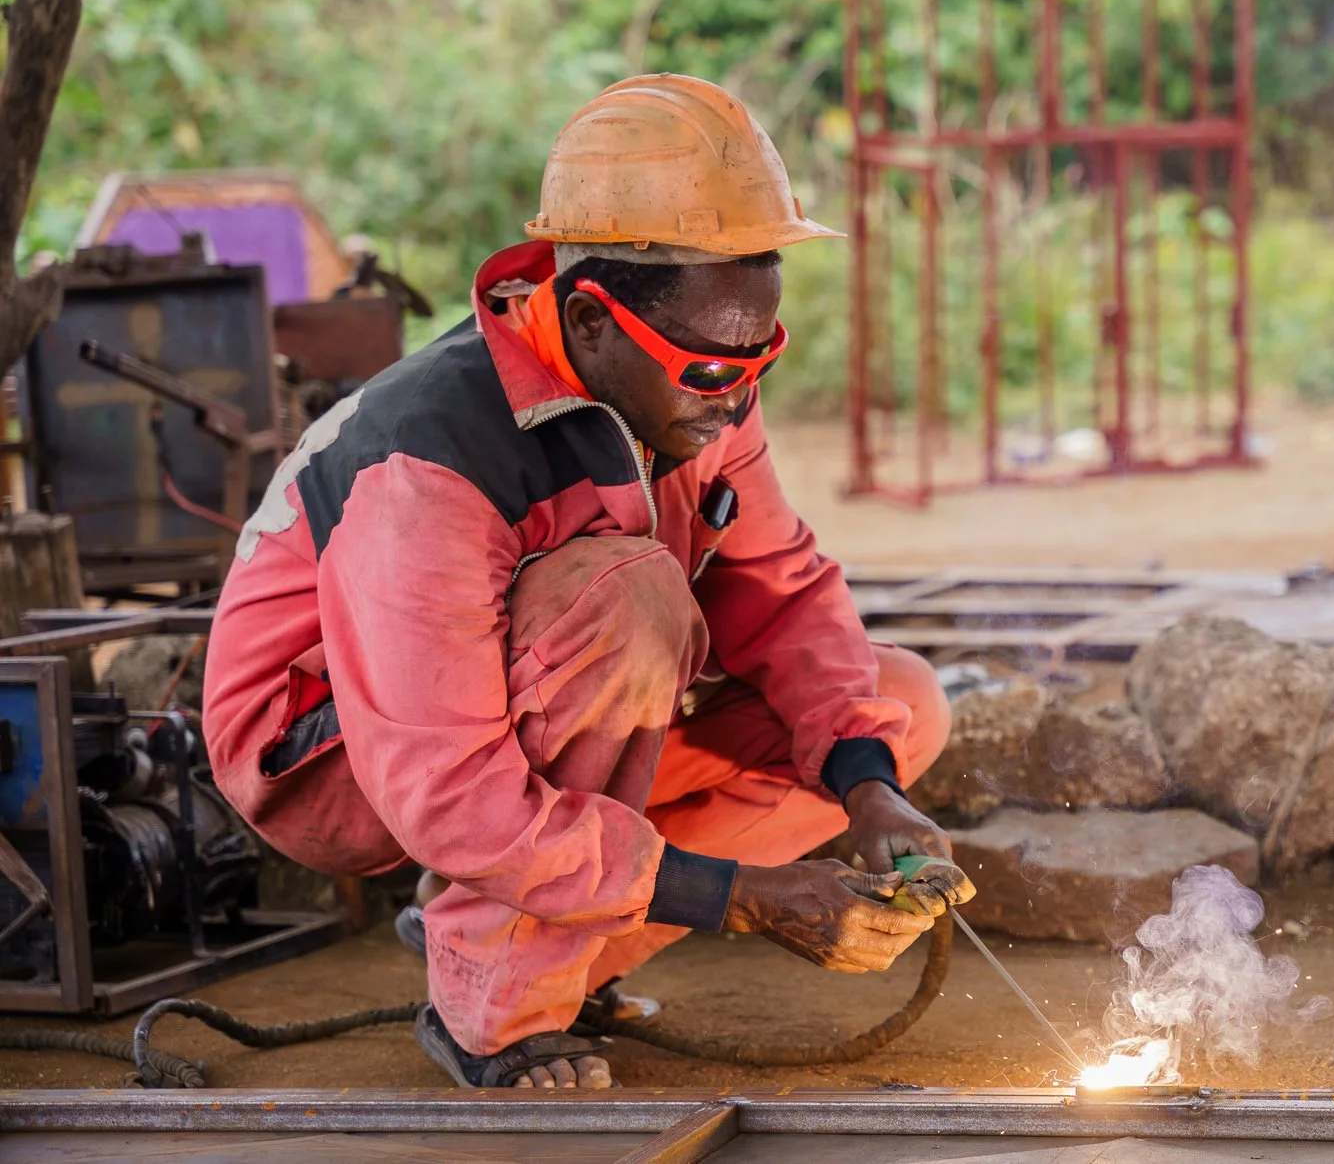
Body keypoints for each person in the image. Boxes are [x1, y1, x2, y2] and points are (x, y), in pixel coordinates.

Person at [203, 75, 968, 1089]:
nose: (736, 393)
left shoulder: (700, 395)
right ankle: (495, 1006)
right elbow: (448, 792)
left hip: (517, 718)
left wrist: (868, 790)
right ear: (592, 318)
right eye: (708, 367)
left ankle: (542, 952)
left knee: (896, 705)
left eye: (761, 355)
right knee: (627, 596)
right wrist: (744, 895)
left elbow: (782, 593)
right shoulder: (428, 462)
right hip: (337, 760)